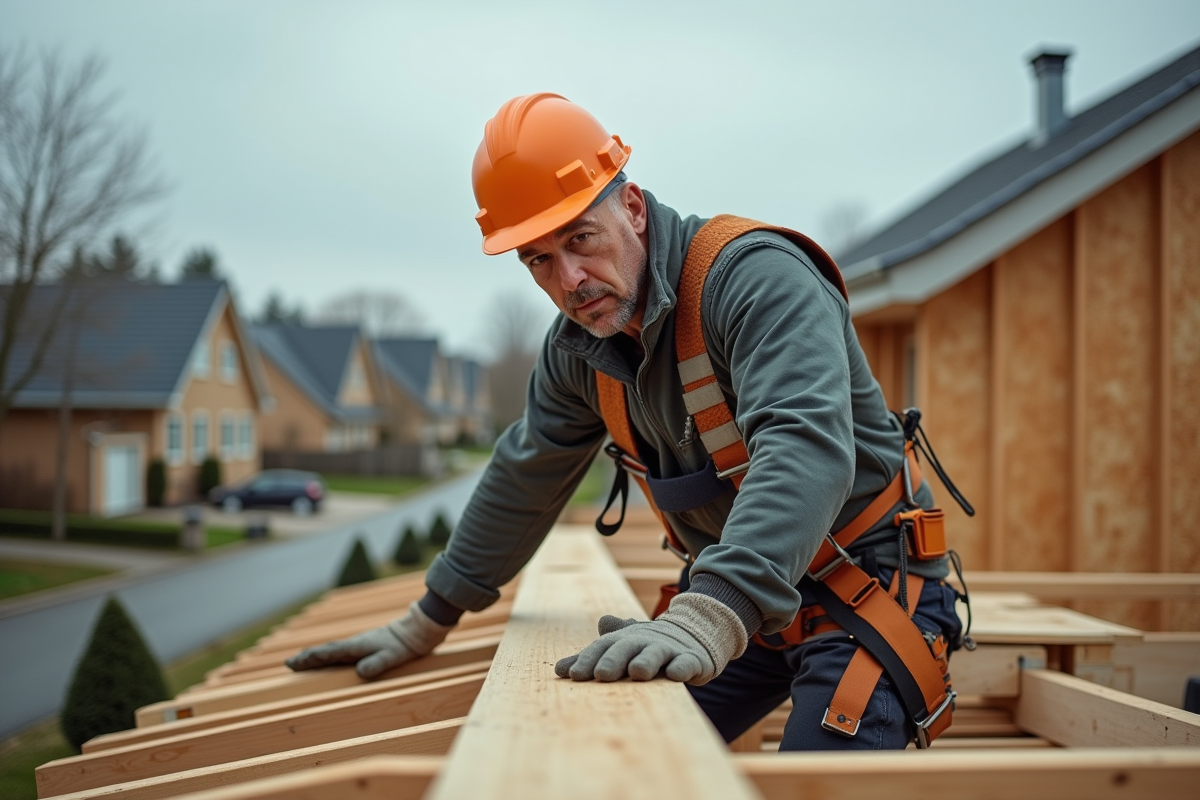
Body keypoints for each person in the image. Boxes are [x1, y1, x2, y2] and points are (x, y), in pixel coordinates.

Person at [287, 93, 967, 751]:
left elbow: (805, 447)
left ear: (633, 208)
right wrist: (428, 618)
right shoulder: (578, 351)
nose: (571, 280)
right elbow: (525, 473)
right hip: (751, 606)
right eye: (539, 260)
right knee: (605, 757)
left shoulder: (756, 278)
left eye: (582, 238)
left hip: (867, 591)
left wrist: (708, 613)